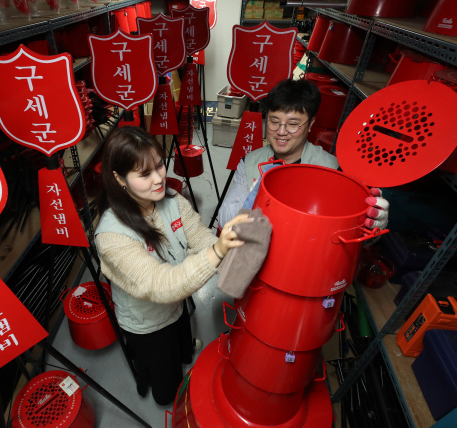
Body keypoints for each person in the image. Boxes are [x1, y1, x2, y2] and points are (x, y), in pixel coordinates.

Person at [94, 126, 250, 406]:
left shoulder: (172, 200)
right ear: (119, 178)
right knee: (166, 378)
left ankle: (182, 352)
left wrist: (224, 249)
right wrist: (217, 252)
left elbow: (200, 236)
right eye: (144, 174)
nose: (158, 179)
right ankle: (172, 401)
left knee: (181, 342)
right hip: (147, 321)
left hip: (177, 305)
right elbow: (160, 286)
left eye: (159, 166)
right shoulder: (112, 235)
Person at [217, 78, 389, 230]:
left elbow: (351, 232)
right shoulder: (249, 162)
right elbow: (226, 220)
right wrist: (259, 195)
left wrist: (373, 222)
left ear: (310, 124)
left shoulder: (332, 169)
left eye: (293, 124)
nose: (281, 131)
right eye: (274, 121)